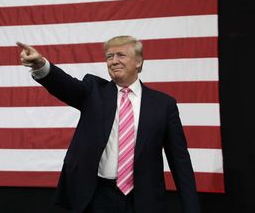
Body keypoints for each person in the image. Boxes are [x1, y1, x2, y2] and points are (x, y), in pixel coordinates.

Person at [17, 36, 200, 213]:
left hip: (143, 199)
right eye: (109, 57)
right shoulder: (93, 92)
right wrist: (41, 65)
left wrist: (191, 208)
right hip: (97, 197)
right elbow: (65, 85)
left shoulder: (163, 104)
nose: (114, 61)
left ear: (138, 62)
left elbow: (180, 161)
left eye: (121, 55)